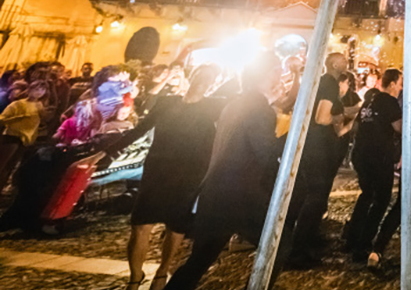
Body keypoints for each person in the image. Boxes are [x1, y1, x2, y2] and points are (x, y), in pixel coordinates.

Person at [164, 57, 283, 290]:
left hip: (217, 192)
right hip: (241, 195)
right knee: (280, 243)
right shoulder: (260, 109)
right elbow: (266, 153)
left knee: (199, 260)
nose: (280, 77)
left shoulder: (238, 103)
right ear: (263, 75)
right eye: (276, 71)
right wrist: (292, 137)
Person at [109, 65, 224, 290]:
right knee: (141, 224)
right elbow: (139, 130)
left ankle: (162, 271)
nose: (204, 80)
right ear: (192, 78)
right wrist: (106, 152)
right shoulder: (167, 103)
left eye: (209, 78)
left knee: (176, 226)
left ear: (213, 84)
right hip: (158, 171)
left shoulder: (214, 107)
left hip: (190, 174)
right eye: (201, 75)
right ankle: (134, 278)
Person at [287, 53, 353, 267]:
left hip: (312, 145)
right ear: (334, 64)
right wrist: (342, 118)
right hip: (318, 147)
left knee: (311, 194)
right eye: (342, 59)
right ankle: (299, 250)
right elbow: (322, 117)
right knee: (315, 196)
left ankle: (307, 239)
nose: (347, 61)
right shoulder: (330, 84)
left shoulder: (322, 82)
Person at [344, 68, 403, 262]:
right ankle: (363, 244)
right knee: (381, 199)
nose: (401, 87)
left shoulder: (370, 100)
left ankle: (352, 237)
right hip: (379, 155)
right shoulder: (389, 101)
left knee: (366, 194)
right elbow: (400, 128)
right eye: (400, 83)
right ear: (392, 84)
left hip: (362, 153)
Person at [0, 80, 48, 194]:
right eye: (36, 89)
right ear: (30, 90)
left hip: (26, 139)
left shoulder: (39, 106)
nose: (39, 92)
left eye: (42, 90)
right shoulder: (18, 104)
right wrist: (19, 118)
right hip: (12, 136)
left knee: (11, 167)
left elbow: (43, 121)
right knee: (2, 164)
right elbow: (2, 119)